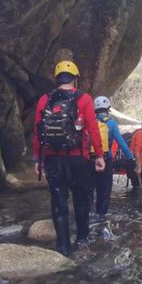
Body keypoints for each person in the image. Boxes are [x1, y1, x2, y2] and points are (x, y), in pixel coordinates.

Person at [33, 60, 105, 256]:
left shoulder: (44, 99)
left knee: (58, 202)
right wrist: (99, 155)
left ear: (57, 78)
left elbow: (37, 132)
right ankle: (82, 240)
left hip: (52, 160)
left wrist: (38, 161)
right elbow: (93, 129)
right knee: (81, 200)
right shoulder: (84, 99)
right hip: (78, 160)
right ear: (75, 78)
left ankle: (63, 247)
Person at [89, 96, 135, 218]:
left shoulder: (89, 121)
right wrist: (131, 158)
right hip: (106, 158)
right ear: (108, 108)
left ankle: (87, 214)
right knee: (104, 190)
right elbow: (121, 143)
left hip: (89, 160)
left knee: (88, 189)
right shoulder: (112, 123)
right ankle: (101, 216)